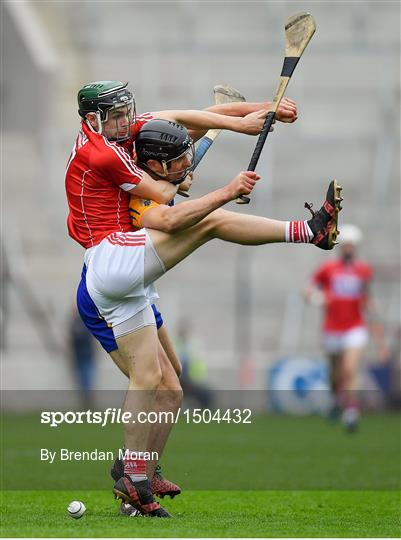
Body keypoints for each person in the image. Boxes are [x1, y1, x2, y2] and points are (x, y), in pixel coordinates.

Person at [80, 117, 342, 517]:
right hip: (109, 282)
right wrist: (227, 190)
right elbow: (167, 218)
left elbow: (184, 128)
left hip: (133, 280)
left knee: (173, 387)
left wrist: (247, 117)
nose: (186, 166)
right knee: (149, 378)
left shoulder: (146, 170)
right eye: (178, 162)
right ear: (156, 166)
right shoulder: (137, 190)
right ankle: (309, 230)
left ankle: (140, 477)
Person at [305, 224, 388, 432]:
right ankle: (335, 400)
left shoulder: (363, 270)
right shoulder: (327, 269)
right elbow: (307, 290)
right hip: (332, 328)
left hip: (355, 327)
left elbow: (366, 298)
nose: (348, 249)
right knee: (335, 374)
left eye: (352, 245)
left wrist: (372, 311)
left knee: (350, 369)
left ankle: (351, 411)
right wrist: (317, 297)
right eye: (346, 245)